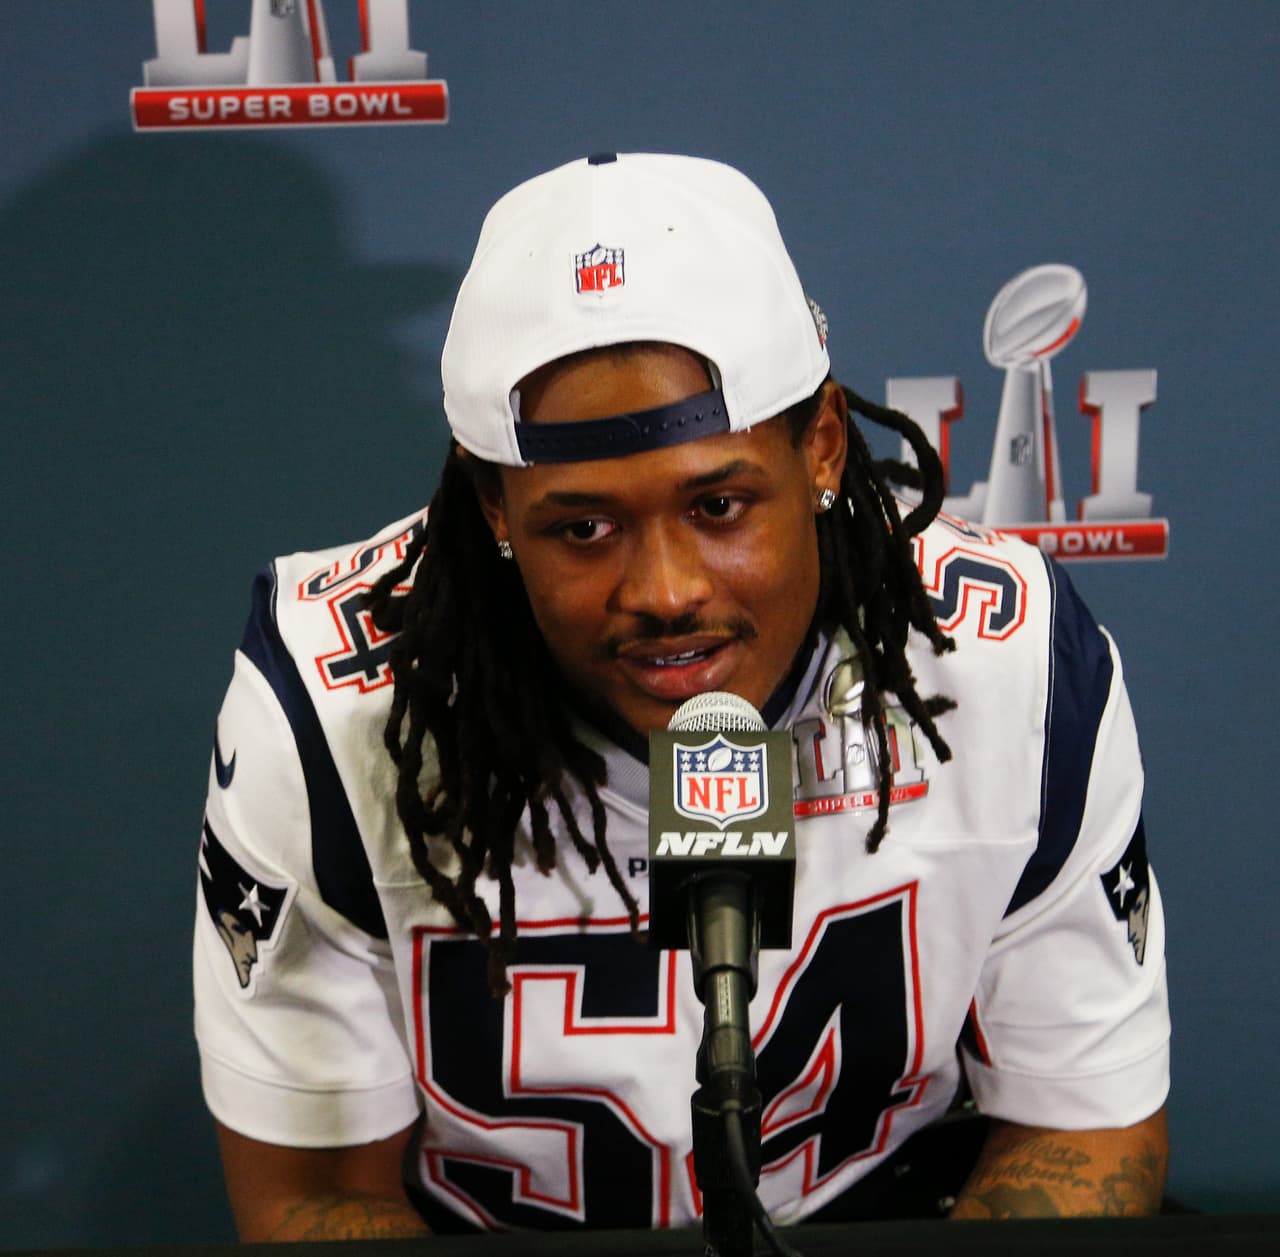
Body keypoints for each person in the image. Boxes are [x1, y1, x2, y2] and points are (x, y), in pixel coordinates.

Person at [194, 153, 1170, 1241]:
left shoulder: (998, 658)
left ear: (821, 448)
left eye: (718, 503)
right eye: (583, 527)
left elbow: (1078, 1131)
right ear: (493, 511)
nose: (664, 593)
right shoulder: (336, 712)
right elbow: (315, 1194)